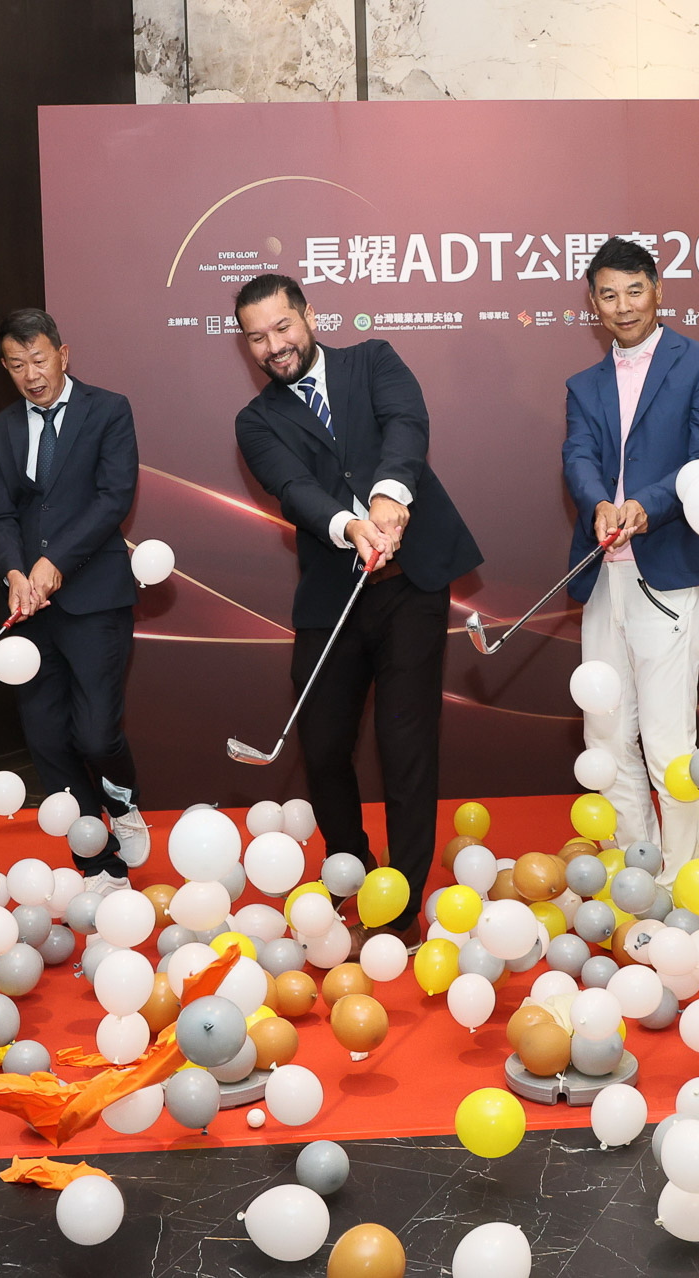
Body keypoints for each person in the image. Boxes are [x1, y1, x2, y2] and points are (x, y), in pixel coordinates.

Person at [233, 273, 482, 943]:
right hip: (332, 596)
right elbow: (292, 488)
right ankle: (354, 872)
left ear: (309, 315)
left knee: (406, 745)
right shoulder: (256, 421)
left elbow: (406, 425)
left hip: (410, 590)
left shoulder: (372, 360)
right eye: (256, 338)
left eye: (282, 327)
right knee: (322, 745)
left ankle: (400, 903)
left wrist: (389, 494)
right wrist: (349, 526)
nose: (274, 346)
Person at [561, 238, 699, 881]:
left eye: (635, 290)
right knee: (606, 737)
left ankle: (684, 875)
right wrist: (598, 505)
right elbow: (578, 456)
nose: (624, 306)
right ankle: (635, 870)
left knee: (668, 739)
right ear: (593, 304)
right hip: (603, 573)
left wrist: (646, 505)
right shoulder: (584, 385)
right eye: (609, 295)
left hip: (669, 567)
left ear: (658, 291)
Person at [0, 308, 147, 876]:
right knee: (48, 740)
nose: (31, 375)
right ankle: (94, 863)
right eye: (16, 364)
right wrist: (14, 573)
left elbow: (113, 497)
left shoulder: (109, 409)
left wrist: (56, 562)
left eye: (39, 360)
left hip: (94, 597)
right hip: (28, 607)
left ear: (63, 354)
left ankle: (121, 801)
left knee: (96, 734)